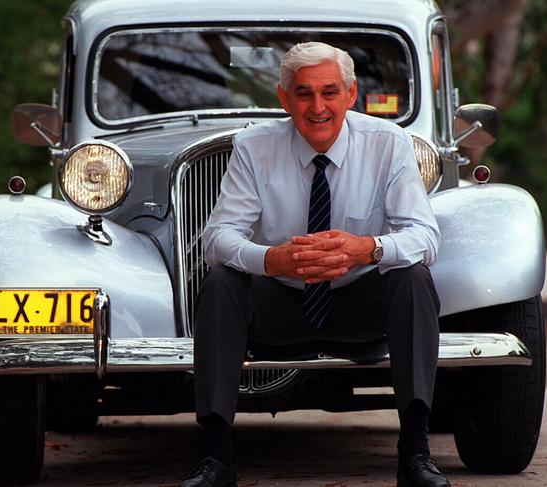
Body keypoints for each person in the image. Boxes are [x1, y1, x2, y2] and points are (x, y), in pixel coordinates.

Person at [179, 42, 450, 487]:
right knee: (223, 281)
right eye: (304, 94)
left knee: (413, 276)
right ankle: (216, 456)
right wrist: (272, 259)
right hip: (280, 303)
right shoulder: (252, 146)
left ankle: (416, 453)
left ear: (350, 94)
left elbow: (425, 236)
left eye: (330, 92)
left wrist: (368, 249)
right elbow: (217, 238)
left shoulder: (389, 143)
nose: (318, 107)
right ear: (284, 99)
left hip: (359, 302)